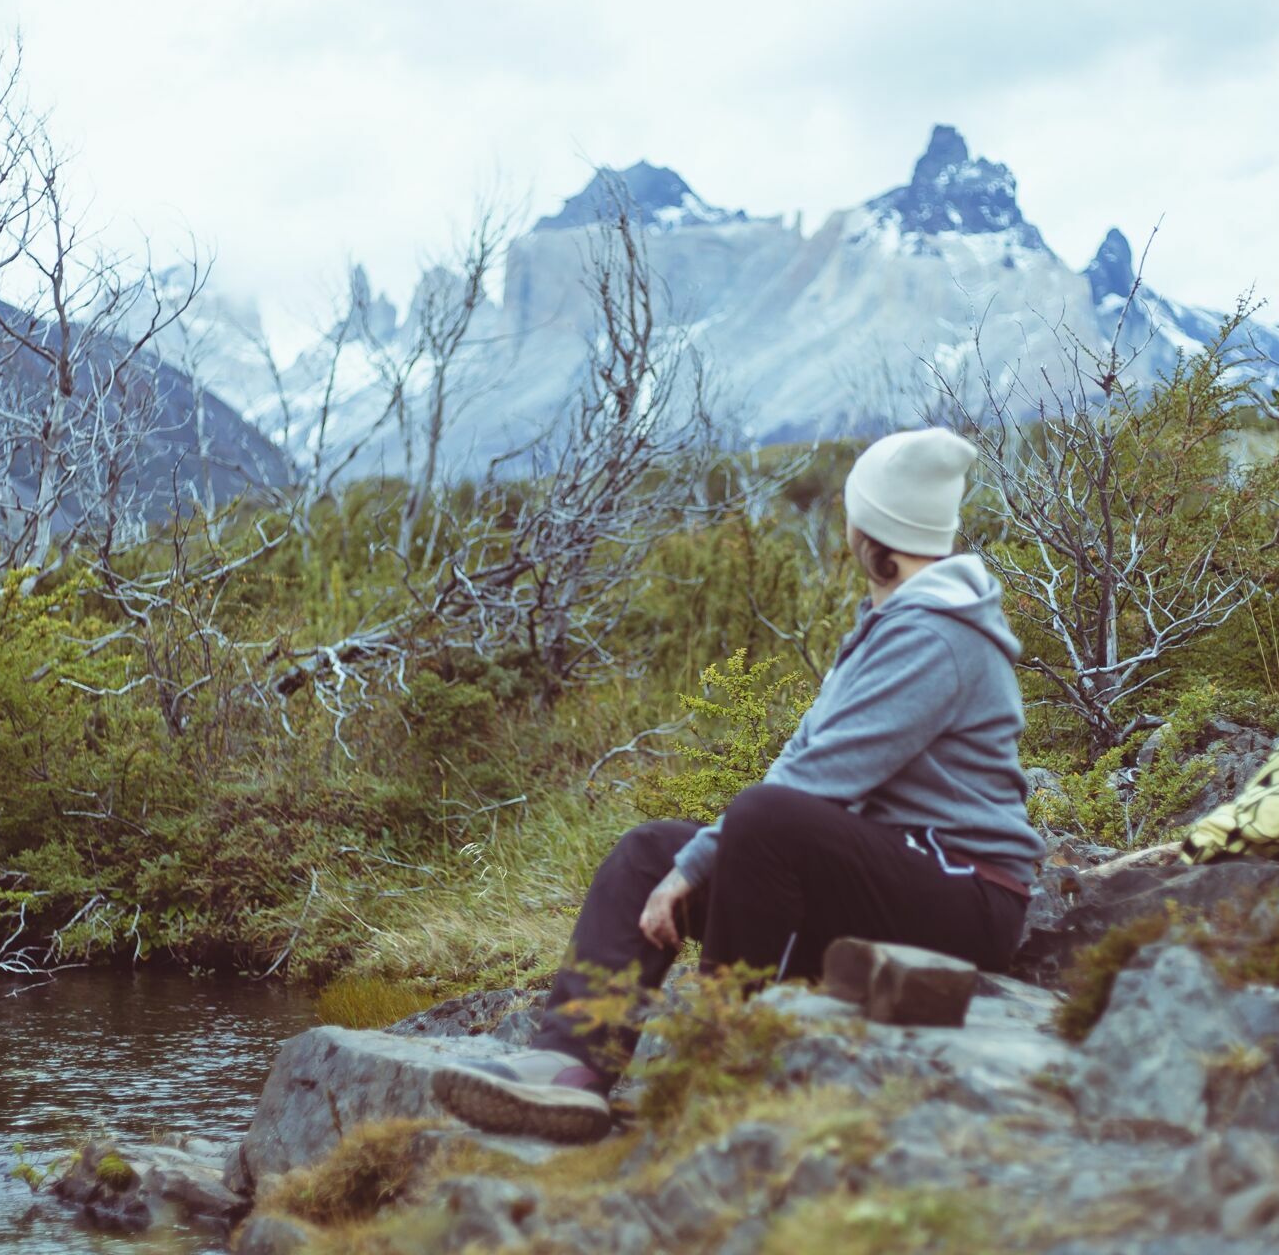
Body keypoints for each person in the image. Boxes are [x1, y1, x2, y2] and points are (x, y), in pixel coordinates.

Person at [433, 427, 1046, 1143]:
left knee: (763, 822)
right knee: (647, 855)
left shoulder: (934, 636)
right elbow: (805, 753)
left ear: (870, 533)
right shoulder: (893, 621)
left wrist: (700, 868)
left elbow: (816, 785)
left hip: (964, 893)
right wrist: (684, 865)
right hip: (896, 870)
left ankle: (720, 1063)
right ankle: (570, 1072)